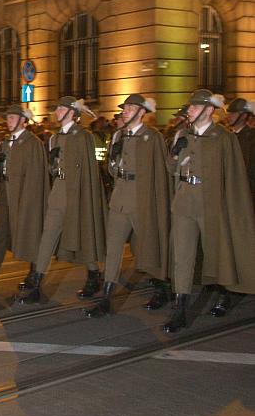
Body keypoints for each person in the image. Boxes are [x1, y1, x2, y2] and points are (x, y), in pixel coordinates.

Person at [163, 90, 255, 332]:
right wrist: (174, 154)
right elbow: (171, 169)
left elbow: (234, 175)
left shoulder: (223, 137)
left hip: (211, 204)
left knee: (218, 253)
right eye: (190, 107)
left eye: (194, 107)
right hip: (184, 202)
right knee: (182, 256)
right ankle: (180, 308)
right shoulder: (183, 134)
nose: (189, 111)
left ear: (209, 110)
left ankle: (225, 293)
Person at [83, 94, 172, 317]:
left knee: (149, 244)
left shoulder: (152, 137)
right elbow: (111, 169)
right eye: (125, 108)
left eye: (130, 108)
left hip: (142, 199)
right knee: (112, 248)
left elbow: (161, 173)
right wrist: (113, 160)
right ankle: (107, 297)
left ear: (142, 112)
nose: (125, 111)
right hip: (120, 196)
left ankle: (163, 285)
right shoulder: (118, 136)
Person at [17, 96, 106, 304]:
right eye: (57, 108)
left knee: (82, 233)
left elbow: (87, 170)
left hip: (77, 192)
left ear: (72, 113)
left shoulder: (83, 136)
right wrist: (53, 163)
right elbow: (53, 169)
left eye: (60, 109)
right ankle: (37, 282)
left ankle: (94, 274)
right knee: (48, 234)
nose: (56, 112)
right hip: (59, 190)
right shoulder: (54, 138)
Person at [0, 105, 48, 294]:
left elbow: (36, 175)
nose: (9, 121)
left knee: (31, 233)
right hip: (6, 193)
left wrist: (29, 200)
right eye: (8, 117)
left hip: (26, 195)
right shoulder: (6, 143)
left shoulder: (33, 143)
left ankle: (34, 276)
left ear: (24, 120)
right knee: (1, 234)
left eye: (13, 117)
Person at [225, 98, 255, 207]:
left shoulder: (251, 138)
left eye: (233, 113)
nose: (229, 116)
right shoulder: (227, 137)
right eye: (229, 113)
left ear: (243, 116)